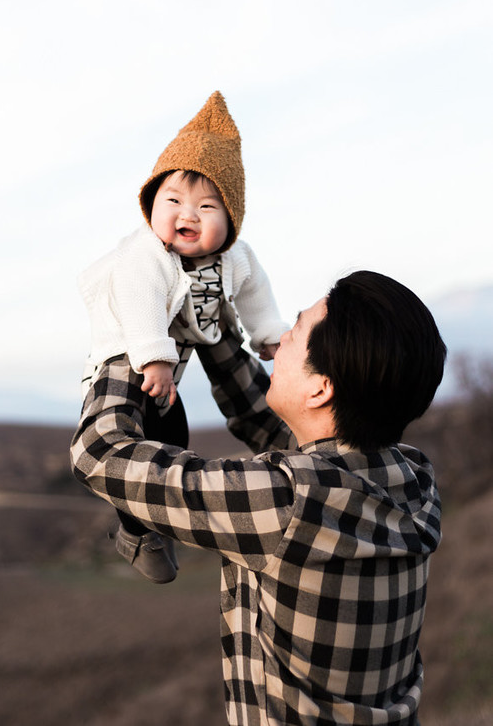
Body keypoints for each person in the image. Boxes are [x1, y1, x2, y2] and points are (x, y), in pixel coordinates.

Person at [71, 269, 446, 726]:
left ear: (321, 388)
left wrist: (131, 338)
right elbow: (279, 429)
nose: (282, 338)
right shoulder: (412, 480)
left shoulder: (290, 504)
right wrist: (212, 326)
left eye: (298, 330)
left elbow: (99, 454)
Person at [77, 91, 290, 583]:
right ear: (152, 204)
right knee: (129, 429)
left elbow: (256, 293)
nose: (187, 215)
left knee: (173, 435)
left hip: (189, 338)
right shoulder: (145, 254)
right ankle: (138, 531)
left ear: (230, 219)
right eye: (173, 201)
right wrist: (153, 358)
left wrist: (269, 333)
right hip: (131, 345)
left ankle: (160, 520)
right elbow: (137, 296)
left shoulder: (237, 258)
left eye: (206, 206)